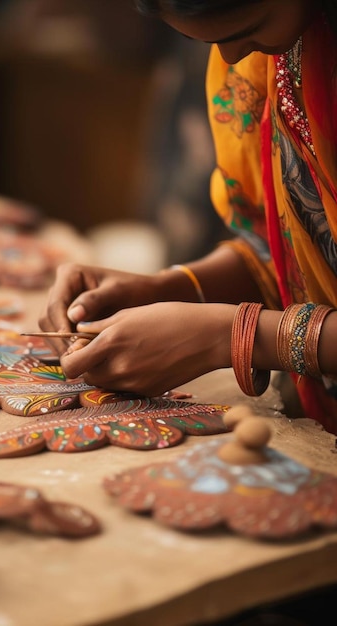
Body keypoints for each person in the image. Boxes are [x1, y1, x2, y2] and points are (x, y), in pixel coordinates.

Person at [38, 0, 337, 436]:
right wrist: (170, 287)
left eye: (250, 27)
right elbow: (290, 251)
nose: (231, 58)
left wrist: (233, 335)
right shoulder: (276, 52)